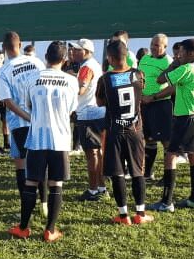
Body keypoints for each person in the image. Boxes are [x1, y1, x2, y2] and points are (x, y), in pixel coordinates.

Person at [9, 41, 79, 242]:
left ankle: (23, 227)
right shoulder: (71, 81)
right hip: (60, 138)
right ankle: (50, 230)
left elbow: (29, 105)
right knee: (55, 183)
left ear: (46, 58)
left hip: (37, 138)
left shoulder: (33, 78)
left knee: (31, 181)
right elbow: (71, 109)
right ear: (64, 60)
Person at [145, 39, 194, 211]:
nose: (177, 55)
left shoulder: (185, 69)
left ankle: (166, 202)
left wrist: (173, 65)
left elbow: (160, 80)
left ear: (190, 53)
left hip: (185, 118)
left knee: (170, 156)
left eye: (180, 52)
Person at [96, 40, 154, 225]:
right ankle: (140, 214)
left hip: (114, 131)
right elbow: (141, 92)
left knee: (117, 173)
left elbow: (99, 102)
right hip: (135, 130)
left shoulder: (105, 79)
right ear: (126, 55)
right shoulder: (139, 74)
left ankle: (123, 216)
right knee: (138, 171)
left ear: (110, 58)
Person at [0, 31, 45, 213]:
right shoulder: (36, 62)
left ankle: (27, 207)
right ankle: (44, 204)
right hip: (40, 121)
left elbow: (8, 101)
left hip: (19, 124)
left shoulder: (4, 71)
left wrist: (26, 117)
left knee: (21, 164)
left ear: (3, 48)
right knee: (39, 162)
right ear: (20, 44)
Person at [72, 38, 107, 201]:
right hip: (98, 113)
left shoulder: (86, 67)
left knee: (92, 153)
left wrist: (68, 84)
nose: (73, 52)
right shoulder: (94, 65)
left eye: (77, 49)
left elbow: (81, 90)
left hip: (87, 114)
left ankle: (94, 190)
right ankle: (101, 187)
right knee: (98, 153)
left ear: (85, 52)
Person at [137, 34, 173, 181]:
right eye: (152, 44)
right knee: (148, 138)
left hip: (160, 104)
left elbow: (172, 87)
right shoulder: (145, 58)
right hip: (143, 104)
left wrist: (153, 97)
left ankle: (168, 174)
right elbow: (138, 77)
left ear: (165, 47)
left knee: (166, 141)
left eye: (157, 45)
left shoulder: (168, 62)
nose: (153, 47)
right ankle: (148, 173)